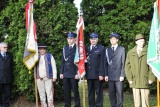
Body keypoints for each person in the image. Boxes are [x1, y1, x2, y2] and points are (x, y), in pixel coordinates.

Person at [125, 34, 155, 107]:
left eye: (143, 41)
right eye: (140, 41)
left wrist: (151, 78)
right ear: (136, 42)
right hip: (134, 80)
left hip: (144, 79)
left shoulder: (148, 52)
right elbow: (127, 67)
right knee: (136, 102)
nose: (142, 43)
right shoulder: (130, 52)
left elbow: (152, 66)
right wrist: (129, 79)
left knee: (145, 101)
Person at [60, 32, 81, 107]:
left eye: (71, 38)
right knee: (66, 91)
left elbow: (79, 62)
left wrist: (77, 73)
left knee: (75, 91)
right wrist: (61, 72)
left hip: (73, 73)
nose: (69, 40)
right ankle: (67, 104)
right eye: (68, 38)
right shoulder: (65, 48)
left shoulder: (77, 49)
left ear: (75, 39)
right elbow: (63, 61)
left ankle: (77, 105)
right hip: (66, 73)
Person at [105, 32, 125, 107]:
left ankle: (120, 106)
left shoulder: (122, 49)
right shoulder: (108, 50)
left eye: (113, 39)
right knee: (111, 93)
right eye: (111, 39)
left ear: (117, 40)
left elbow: (123, 63)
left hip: (118, 76)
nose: (112, 40)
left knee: (119, 93)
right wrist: (106, 74)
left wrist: (122, 75)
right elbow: (105, 63)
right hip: (110, 75)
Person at [85, 33, 105, 107]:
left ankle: (99, 105)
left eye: (95, 39)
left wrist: (101, 74)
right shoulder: (86, 48)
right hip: (89, 74)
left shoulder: (101, 48)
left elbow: (102, 62)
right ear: (90, 40)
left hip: (97, 74)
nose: (93, 40)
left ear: (97, 40)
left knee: (98, 91)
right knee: (90, 91)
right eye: (92, 39)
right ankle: (91, 105)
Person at [36, 43, 57, 107]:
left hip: (48, 77)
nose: (42, 50)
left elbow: (54, 66)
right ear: (38, 50)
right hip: (39, 78)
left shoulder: (50, 56)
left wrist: (54, 76)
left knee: (49, 93)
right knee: (41, 93)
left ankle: (51, 105)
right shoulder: (36, 57)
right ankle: (43, 105)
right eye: (41, 49)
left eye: (44, 49)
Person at [0, 42, 13, 107]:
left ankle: (6, 104)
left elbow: (11, 66)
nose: (6, 48)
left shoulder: (9, 55)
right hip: (0, 77)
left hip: (8, 77)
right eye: (4, 47)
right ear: (0, 48)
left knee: (7, 92)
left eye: (6, 47)